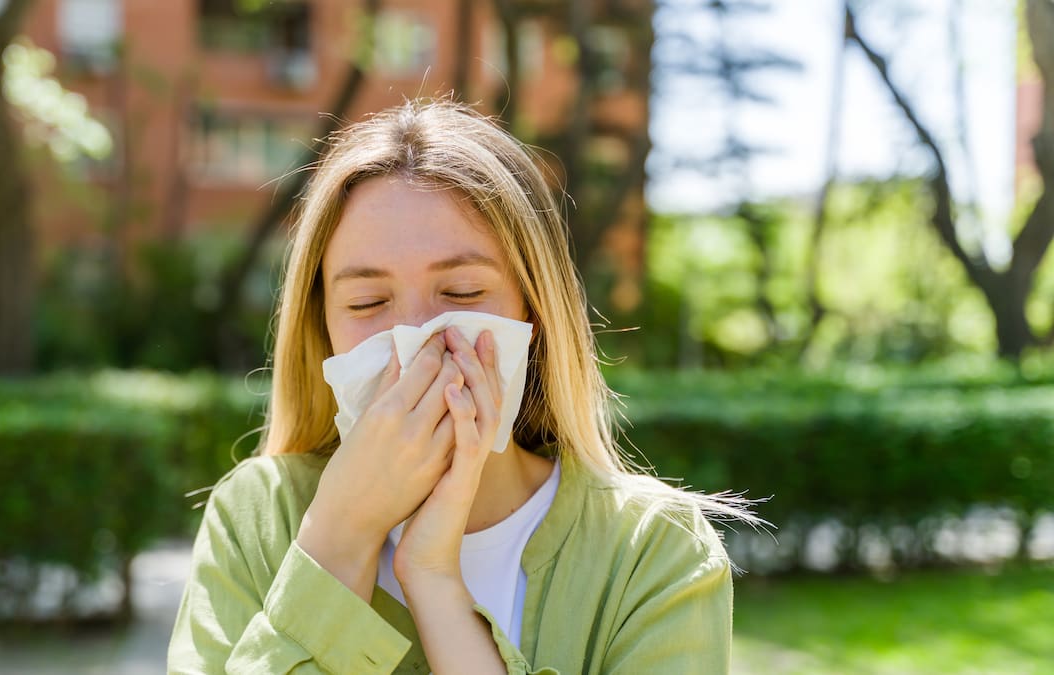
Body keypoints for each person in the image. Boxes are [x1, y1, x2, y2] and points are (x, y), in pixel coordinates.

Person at [167, 99, 756, 674]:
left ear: (534, 315)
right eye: (368, 302)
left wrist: (435, 583)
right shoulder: (258, 516)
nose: (417, 341)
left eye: (463, 294)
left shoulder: (652, 552)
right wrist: (338, 539)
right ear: (322, 330)